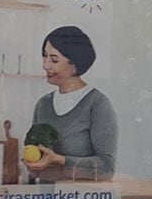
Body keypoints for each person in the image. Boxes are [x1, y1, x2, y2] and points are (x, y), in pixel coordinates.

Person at [23, 26, 117, 180]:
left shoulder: (98, 104)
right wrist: (32, 165)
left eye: (54, 60)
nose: (45, 65)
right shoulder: (43, 104)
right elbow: (36, 170)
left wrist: (60, 160)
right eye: (44, 56)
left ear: (75, 65)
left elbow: (106, 168)